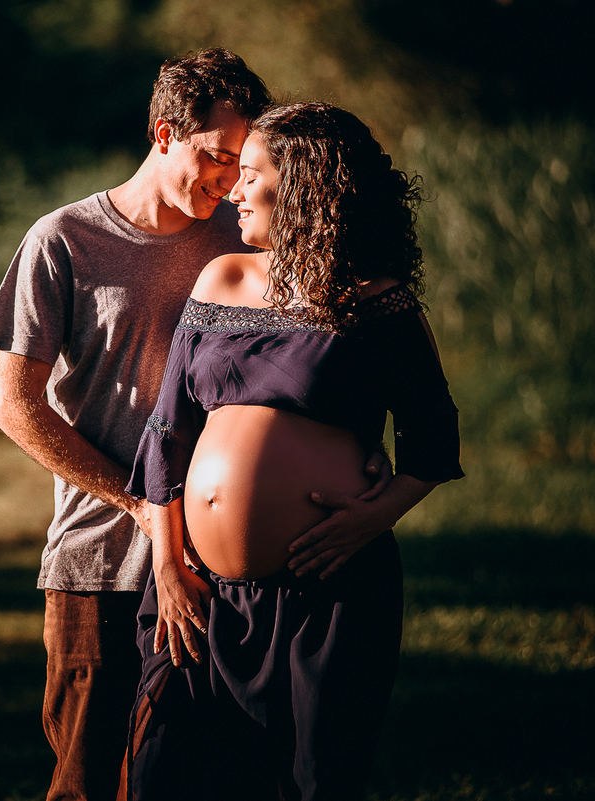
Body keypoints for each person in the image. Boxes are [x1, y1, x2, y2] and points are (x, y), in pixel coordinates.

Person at [0, 53, 384, 801]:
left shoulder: (246, 240)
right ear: (164, 132)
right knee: (89, 778)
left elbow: (324, 356)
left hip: (228, 578)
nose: (231, 182)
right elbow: (14, 405)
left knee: (195, 779)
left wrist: (352, 455)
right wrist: (138, 504)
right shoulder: (62, 240)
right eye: (216, 157)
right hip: (101, 560)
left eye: (243, 164)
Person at [124, 102, 465, 801]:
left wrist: (373, 518)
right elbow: (167, 432)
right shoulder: (221, 278)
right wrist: (166, 562)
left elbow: (432, 439)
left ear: (307, 187)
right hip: (203, 597)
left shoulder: (379, 302)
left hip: (329, 594)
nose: (235, 192)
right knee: (168, 774)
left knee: (312, 783)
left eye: (251, 176)